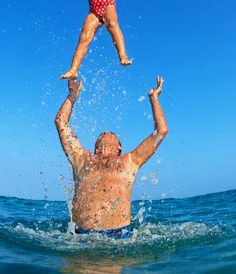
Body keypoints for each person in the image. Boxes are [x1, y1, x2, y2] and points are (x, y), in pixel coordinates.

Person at [54, 76, 168, 239]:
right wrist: (73, 94)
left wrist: (154, 99)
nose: (106, 132)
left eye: (111, 134)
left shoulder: (130, 161)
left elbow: (161, 131)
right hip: (79, 237)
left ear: (119, 147)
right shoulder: (82, 159)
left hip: (118, 236)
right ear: (95, 147)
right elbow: (61, 122)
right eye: (102, 133)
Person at [43, 0, 145, 79]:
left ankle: (123, 56)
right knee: (84, 37)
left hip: (108, 6)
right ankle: (74, 69)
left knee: (112, 24)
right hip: (94, 12)